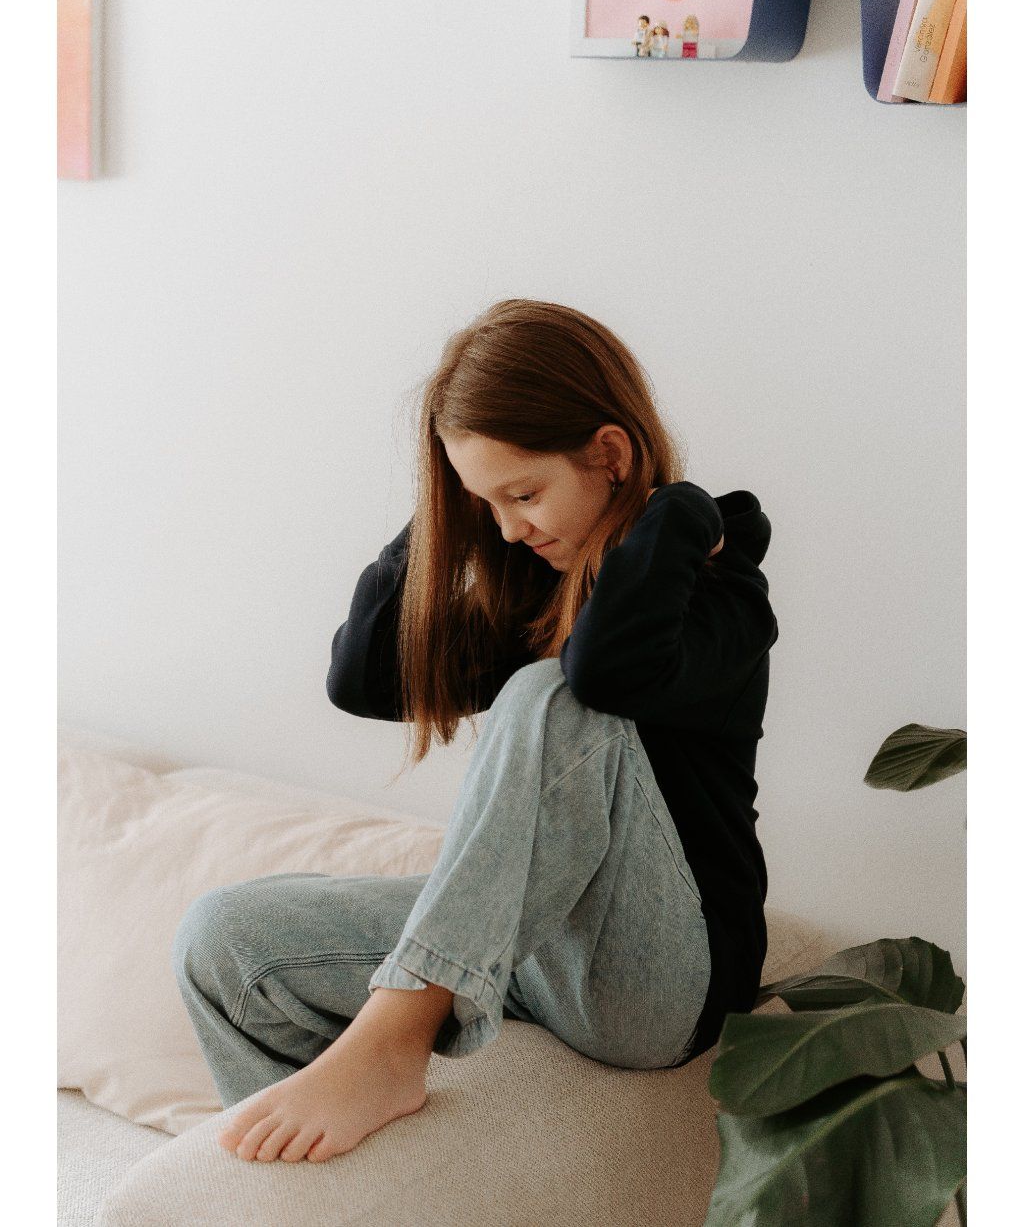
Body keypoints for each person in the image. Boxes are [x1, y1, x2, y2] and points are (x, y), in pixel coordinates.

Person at [172, 298, 779, 1165]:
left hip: (666, 980)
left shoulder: (722, 596)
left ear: (610, 454)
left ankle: (393, 1038)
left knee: (549, 691)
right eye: (484, 502)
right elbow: (363, 679)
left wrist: (679, 508)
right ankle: (330, 1205)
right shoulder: (535, 584)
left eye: (523, 494)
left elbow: (605, 675)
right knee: (225, 940)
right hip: (540, 953)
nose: (508, 527)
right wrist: (444, 515)